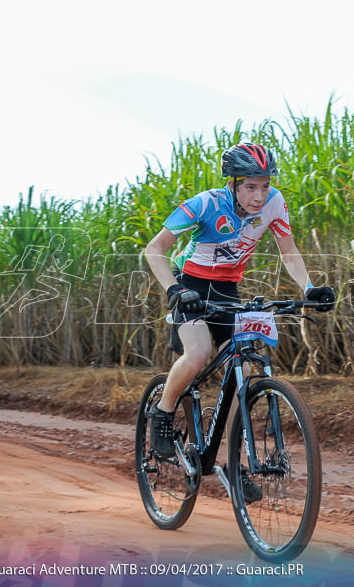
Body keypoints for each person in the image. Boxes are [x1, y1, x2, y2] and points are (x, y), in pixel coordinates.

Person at [143, 142, 336, 465]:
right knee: (199, 354)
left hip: (227, 289)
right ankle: (162, 412)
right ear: (231, 184)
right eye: (250, 187)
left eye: (265, 186)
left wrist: (309, 288)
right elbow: (154, 249)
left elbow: (288, 252)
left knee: (243, 374)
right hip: (190, 284)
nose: (259, 196)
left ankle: (235, 463)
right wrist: (175, 290)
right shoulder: (205, 204)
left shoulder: (274, 204)